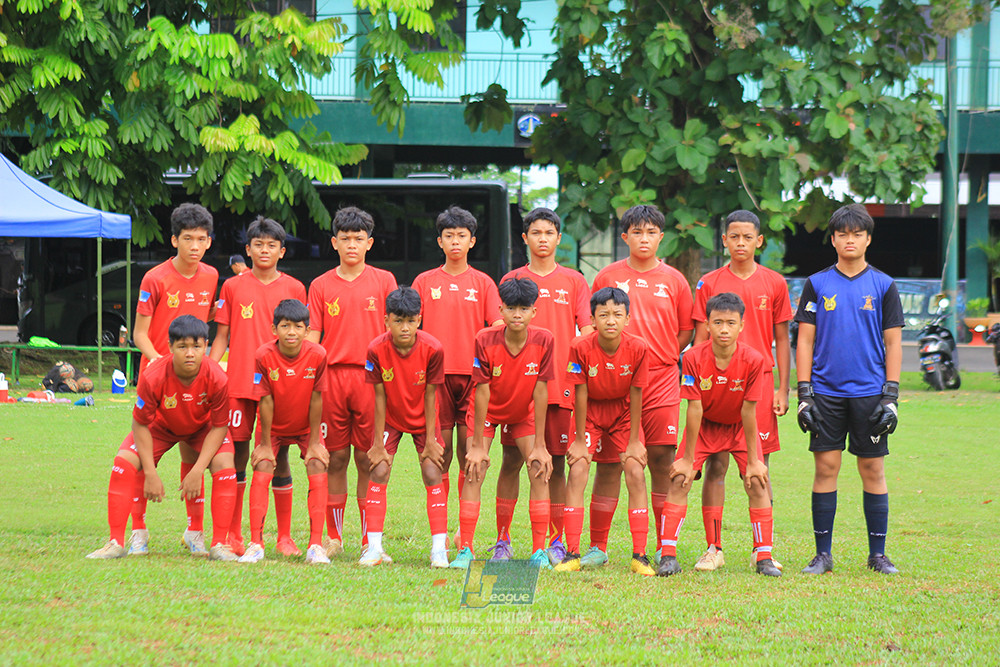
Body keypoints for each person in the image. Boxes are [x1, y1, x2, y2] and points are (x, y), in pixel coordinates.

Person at [794, 204, 903, 575]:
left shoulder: (884, 285)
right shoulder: (817, 283)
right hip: (826, 393)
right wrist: (804, 393)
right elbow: (804, 342)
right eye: (843, 234)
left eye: (857, 234)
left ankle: (878, 555)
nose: (850, 239)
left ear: (868, 239)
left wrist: (891, 396)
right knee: (826, 467)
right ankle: (822, 554)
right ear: (834, 239)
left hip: (870, 393)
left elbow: (894, 344)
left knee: (872, 469)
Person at [589, 205, 693, 567]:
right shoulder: (607, 276)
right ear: (625, 237)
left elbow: (685, 331)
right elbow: (593, 325)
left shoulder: (675, 280)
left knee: (663, 460)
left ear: (660, 236)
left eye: (650, 232)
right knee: (609, 464)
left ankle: (666, 550)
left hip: (662, 380)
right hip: (614, 383)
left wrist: (657, 357)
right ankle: (598, 548)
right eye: (636, 232)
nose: (643, 238)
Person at [87, 315, 237, 561]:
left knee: (225, 464)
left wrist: (198, 470)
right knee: (123, 463)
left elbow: (219, 426)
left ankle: (219, 544)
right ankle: (119, 540)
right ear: (170, 347)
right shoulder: (152, 375)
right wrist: (150, 473)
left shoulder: (218, 378)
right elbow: (141, 423)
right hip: (160, 427)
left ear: (206, 346)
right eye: (182, 346)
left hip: (202, 428)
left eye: (196, 346)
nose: (190, 353)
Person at [691, 210, 793, 571]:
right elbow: (700, 338)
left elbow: (782, 339)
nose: (740, 243)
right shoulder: (709, 282)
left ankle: (761, 550)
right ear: (724, 240)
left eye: (747, 237)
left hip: (759, 386)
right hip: (715, 385)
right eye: (733, 237)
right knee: (715, 465)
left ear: (759, 241)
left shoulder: (774, 283)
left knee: (758, 467)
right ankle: (713, 548)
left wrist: (783, 388)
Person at [658, 293, 781, 578]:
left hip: (739, 427)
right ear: (707, 325)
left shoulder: (754, 360)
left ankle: (763, 556)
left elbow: (750, 412)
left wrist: (753, 460)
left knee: (758, 481)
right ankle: (668, 555)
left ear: (741, 325)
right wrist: (688, 459)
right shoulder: (691, 358)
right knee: (679, 478)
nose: (724, 329)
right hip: (705, 427)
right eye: (717, 323)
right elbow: (694, 407)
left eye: (730, 323)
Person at [499, 207, 593, 565]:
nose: (542, 239)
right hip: (519, 388)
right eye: (535, 232)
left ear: (558, 238)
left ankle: (554, 541)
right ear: (525, 238)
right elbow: (501, 325)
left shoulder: (574, 281)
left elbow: (586, 329)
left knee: (554, 461)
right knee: (510, 460)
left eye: (549, 233)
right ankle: (503, 540)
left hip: (560, 387)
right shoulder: (513, 278)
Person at [210, 216, 307, 557]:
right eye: (258, 245)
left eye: (271, 245)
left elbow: (300, 340)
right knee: (236, 454)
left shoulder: (295, 289)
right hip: (238, 384)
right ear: (248, 250)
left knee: (278, 454)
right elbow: (221, 336)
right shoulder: (233, 287)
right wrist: (211, 369)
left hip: (279, 388)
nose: (264, 251)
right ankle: (234, 533)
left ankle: (284, 537)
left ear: (282, 251)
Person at [307, 206, 398, 558]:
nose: (351, 245)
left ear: (369, 243)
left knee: (369, 457)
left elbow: (395, 333)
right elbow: (314, 336)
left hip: (371, 379)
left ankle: (369, 539)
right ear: (334, 242)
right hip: (332, 379)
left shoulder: (384, 281)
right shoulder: (320, 285)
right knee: (336, 457)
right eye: (344, 239)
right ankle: (333, 535)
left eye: (358, 239)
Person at [130, 203, 219, 557]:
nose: (194, 246)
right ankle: (138, 532)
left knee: (192, 449)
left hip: (194, 381)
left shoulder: (212, 277)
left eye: (200, 239)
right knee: (140, 456)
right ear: (174, 240)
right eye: (187, 239)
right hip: (156, 381)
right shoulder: (155, 278)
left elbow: (209, 323)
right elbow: (139, 334)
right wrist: (160, 363)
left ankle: (194, 532)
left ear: (209, 242)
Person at [449, 277, 554, 570]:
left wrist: (542, 446)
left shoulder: (544, 339)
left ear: (534, 311)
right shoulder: (485, 338)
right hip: (487, 412)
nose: (517, 314)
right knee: (474, 468)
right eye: (511, 308)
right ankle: (466, 549)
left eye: (523, 308)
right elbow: (481, 391)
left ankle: (538, 551)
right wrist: (479, 446)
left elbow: (541, 390)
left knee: (538, 469)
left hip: (524, 413)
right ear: (500, 310)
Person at [411, 206, 502, 530]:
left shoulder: (483, 283)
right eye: (449, 236)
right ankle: (441, 530)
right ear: (439, 241)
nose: (455, 242)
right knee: (440, 452)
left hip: (474, 379)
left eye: (461, 236)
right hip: (435, 379)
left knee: (470, 451)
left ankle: (466, 534)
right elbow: (411, 327)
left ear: (472, 241)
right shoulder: (424, 282)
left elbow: (498, 326)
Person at [553, 287, 654, 576]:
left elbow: (637, 394)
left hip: (623, 414)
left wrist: (634, 441)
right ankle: (572, 552)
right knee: (578, 470)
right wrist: (579, 440)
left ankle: (640, 556)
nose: (611, 321)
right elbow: (580, 392)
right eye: (604, 315)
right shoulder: (580, 346)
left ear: (628, 319)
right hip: (590, 413)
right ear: (592, 319)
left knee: (635, 471)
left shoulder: (639, 348)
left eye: (617, 315)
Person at [238, 299, 330, 564]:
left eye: (298, 327)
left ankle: (315, 545)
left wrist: (314, 441)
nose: (291, 332)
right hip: (273, 428)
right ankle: (256, 543)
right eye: (285, 326)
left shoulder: (318, 355)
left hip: (305, 428)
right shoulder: (263, 355)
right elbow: (264, 400)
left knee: (316, 463)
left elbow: (316, 398)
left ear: (308, 330)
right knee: (264, 465)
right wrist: (265, 443)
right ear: (273, 329)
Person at [363, 286, 449, 567]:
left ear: (419, 320)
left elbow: (431, 394)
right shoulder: (376, 349)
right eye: (398, 320)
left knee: (432, 470)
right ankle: (373, 548)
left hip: (424, 418)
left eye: (411, 321)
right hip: (390, 417)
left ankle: (439, 549)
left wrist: (431, 440)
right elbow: (378, 397)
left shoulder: (433, 348)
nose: (404, 327)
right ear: (386, 319)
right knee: (379, 468)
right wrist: (377, 442)